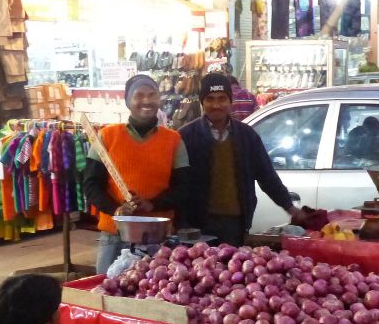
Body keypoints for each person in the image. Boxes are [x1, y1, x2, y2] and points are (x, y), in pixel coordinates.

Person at [178, 72, 302, 245]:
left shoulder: (247, 136)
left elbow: (267, 176)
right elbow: (179, 185)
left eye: (222, 98)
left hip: (235, 225)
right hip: (197, 227)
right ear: (202, 102)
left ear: (230, 101)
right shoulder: (186, 137)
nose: (216, 105)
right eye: (210, 99)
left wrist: (289, 207)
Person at [83, 74, 190, 273]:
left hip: (157, 238)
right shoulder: (106, 137)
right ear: (128, 102)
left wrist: (153, 204)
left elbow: (184, 187)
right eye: (139, 95)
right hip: (115, 236)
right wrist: (116, 210)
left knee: (155, 289)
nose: (146, 101)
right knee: (106, 287)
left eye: (152, 95)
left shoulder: (174, 140)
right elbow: (90, 185)